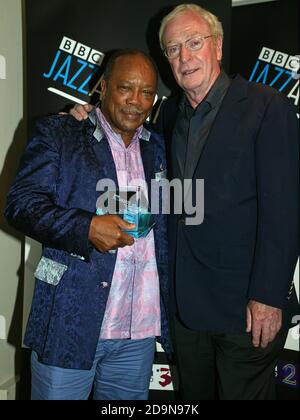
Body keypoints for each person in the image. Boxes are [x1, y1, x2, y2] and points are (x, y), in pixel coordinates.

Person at [69, 4, 299, 400]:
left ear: (218, 47)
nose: (184, 57)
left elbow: (285, 211)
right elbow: (136, 165)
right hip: (184, 309)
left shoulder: (268, 108)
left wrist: (267, 296)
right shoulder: (168, 111)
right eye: (173, 49)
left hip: (246, 308)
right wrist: (87, 118)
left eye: (194, 43)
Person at [5, 49, 171, 400]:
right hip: (70, 322)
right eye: (126, 88)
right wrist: (86, 228)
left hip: (138, 331)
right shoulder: (60, 132)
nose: (136, 102)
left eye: (146, 93)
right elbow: (20, 204)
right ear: (103, 86)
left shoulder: (159, 145)